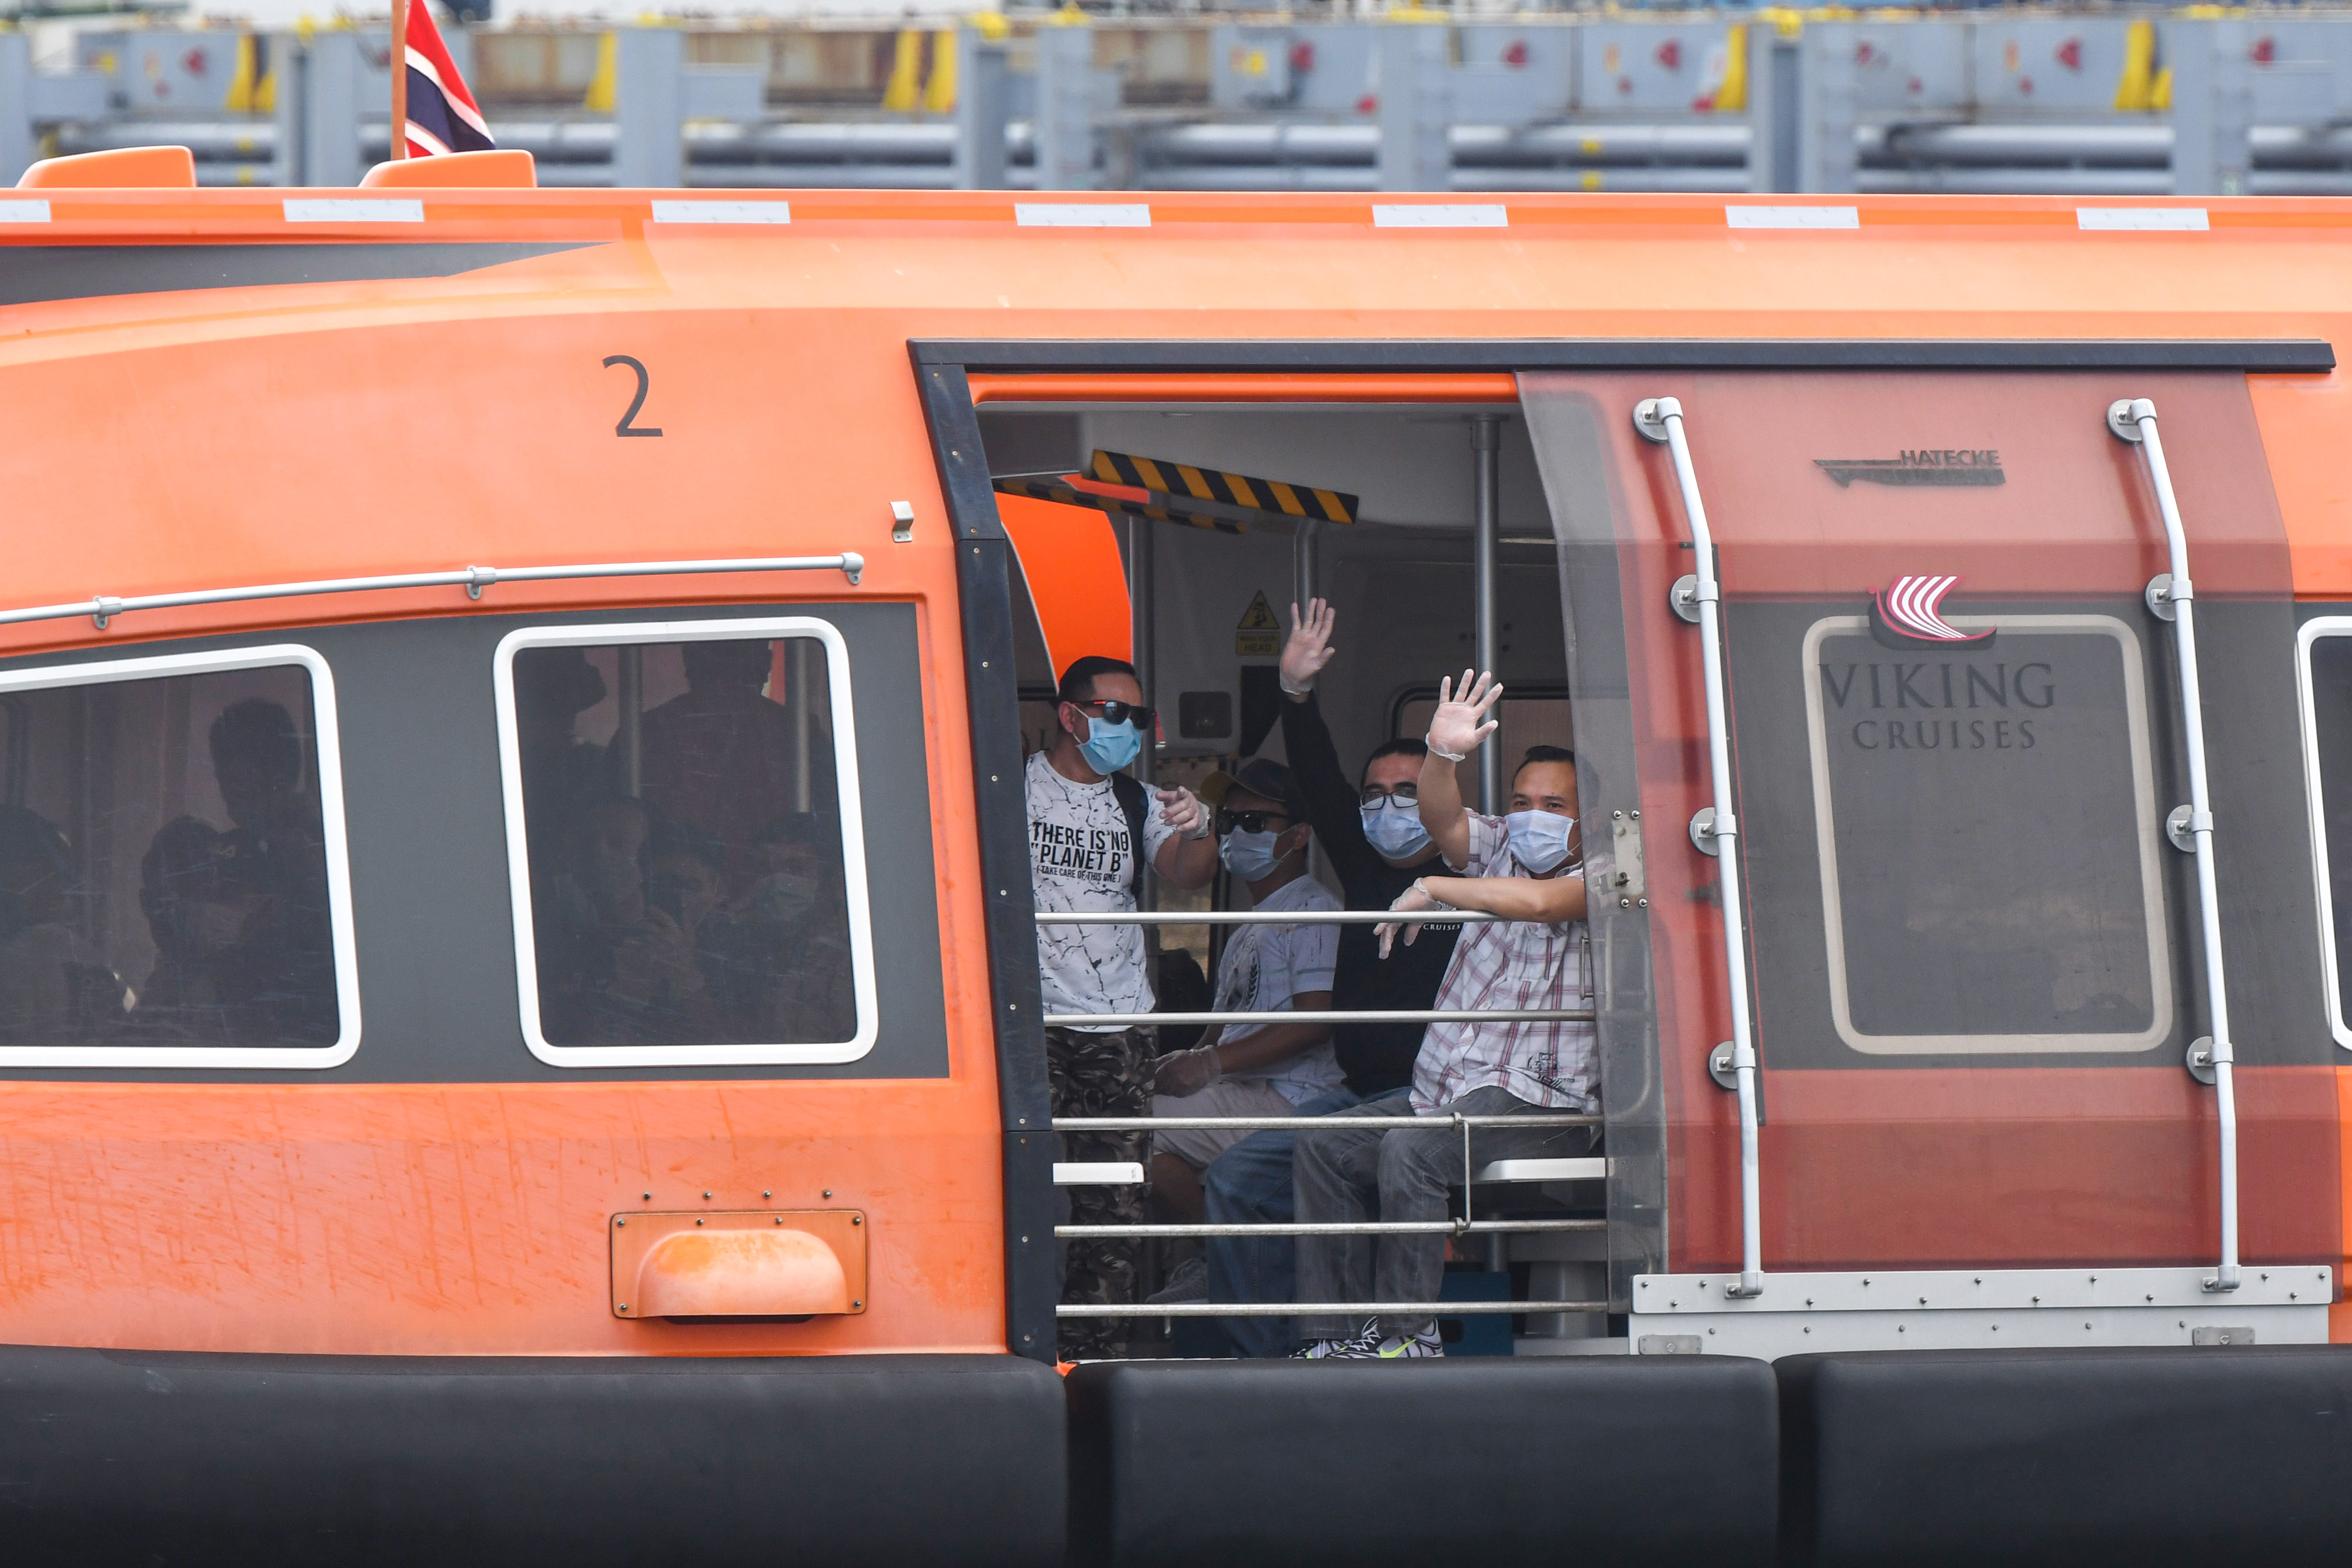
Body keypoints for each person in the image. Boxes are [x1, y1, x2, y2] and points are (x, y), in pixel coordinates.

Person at [1292, 670, 1603, 1360]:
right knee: (1323, 1146)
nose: (1531, 816)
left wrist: (1432, 885)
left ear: (1591, 817)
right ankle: (1334, 1341)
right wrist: (1443, 755)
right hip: (1449, 1093)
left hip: (1546, 1107)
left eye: (1553, 804)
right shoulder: (1500, 850)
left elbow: (1544, 905)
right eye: (1521, 801)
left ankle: (1409, 1338)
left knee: (1410, 1151)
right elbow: (1441, 818)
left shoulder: (1611, 870)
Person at [1195, 600, 1467, 1355]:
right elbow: (1316, 779)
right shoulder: (1366, 868)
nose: (1386, 809)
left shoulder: (1480, 870)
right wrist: (1294, 695)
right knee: (1236, 1181)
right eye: (1374, 794)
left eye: (1406, 793)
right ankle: (1272, 1360)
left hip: (1432, 1097)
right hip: (1355, 1091)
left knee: (1344, 1156)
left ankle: (1351, 1342)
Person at [1029, 654, 1217, 1359]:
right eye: (1114, 714)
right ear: (1071, 716)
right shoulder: (1008, 789)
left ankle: (1096, 1357)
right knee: (1029, 1189)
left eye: (1137, 717)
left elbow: (1189, 877)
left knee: (1112, 1199)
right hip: (1028, 1022)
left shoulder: (1136, 801)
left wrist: (1200, 827)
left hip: (1119, 1029)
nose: (1127, 729)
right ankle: (1025, 1345)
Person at [1145, 759, 1341, 1302]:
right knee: (1139, 1136)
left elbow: (1314, 1019)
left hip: (1291, 1097)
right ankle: (1211, 1258)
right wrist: (1191, 1053)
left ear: (1299, 835)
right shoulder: (1254, 919)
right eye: (1229, 821)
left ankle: (1214, 1259)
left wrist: (1211, 1066)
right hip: (1243, 1089)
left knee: (1132, 1129)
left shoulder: (1313, 911)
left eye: (1256, 822)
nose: (1236, 833)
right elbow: (1233, 1017)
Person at [639, 638, 835, 891]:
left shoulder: (649, 731)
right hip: (758, 892)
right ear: (764, 664)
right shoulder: (798, 731)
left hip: (682, 891)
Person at [208, 697, 338, 1046]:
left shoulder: (323, 847)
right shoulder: (233, 847)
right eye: (220, 774)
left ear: (276, 776)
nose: (223, 787)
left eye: (233, 773)